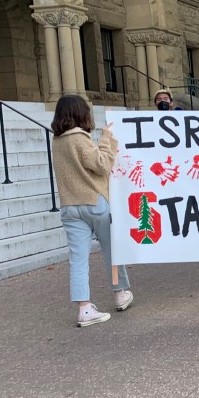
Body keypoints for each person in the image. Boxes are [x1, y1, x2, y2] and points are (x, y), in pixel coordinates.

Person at [51, 95, 133, 327]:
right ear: (81, 113)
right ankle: (120, 293)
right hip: (94, 202)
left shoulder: (57, 141)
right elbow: (101, 164)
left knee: (77, 259)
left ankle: (84, 309)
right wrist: (106, 140)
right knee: (111, 251)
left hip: (70, 206)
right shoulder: (79, 138)